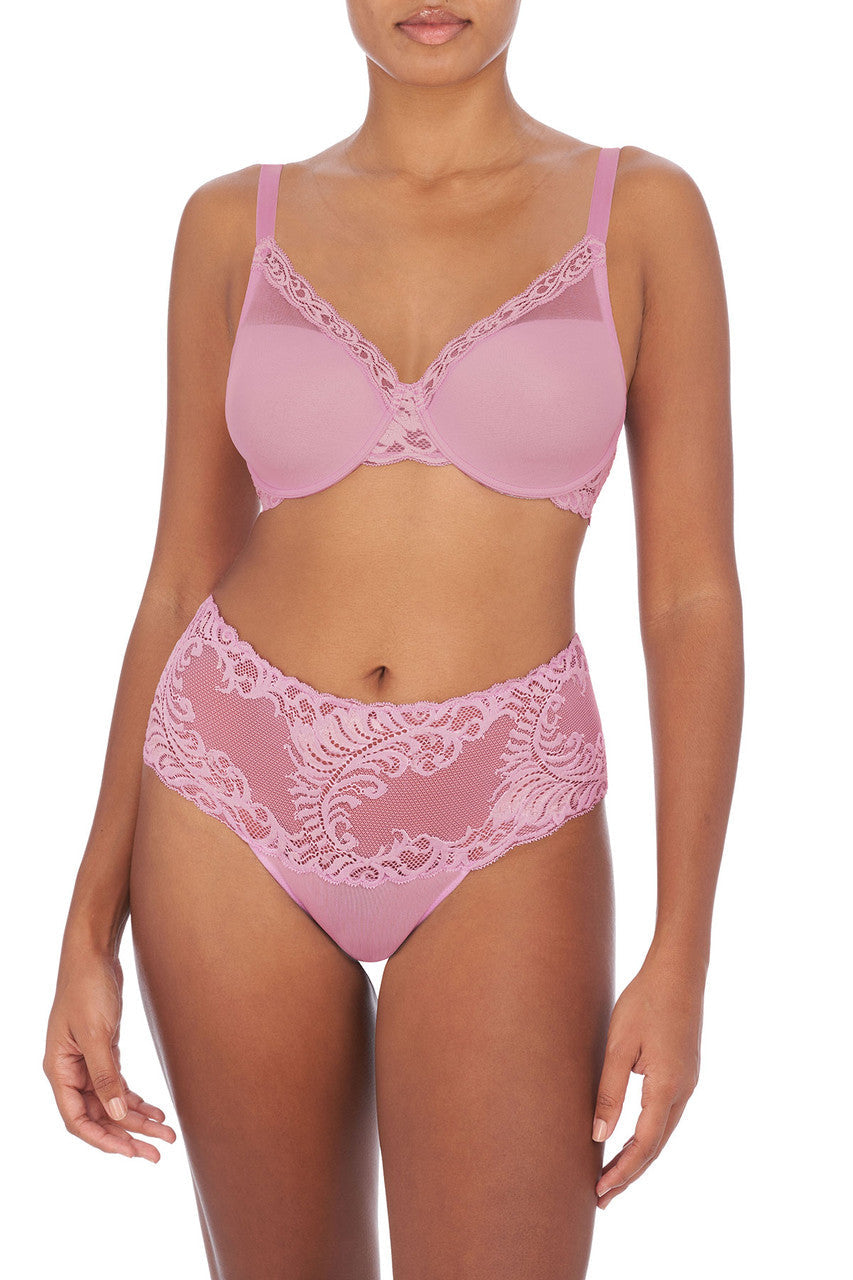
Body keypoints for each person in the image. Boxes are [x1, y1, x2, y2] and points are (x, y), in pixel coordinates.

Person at [43, 2, 744, 1276]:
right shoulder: (230, 224)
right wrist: (88, 923)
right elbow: (179, 577)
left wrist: (682, 948)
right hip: (229, 787)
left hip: (509, 800)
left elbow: (690, 596)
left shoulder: (641, 213)